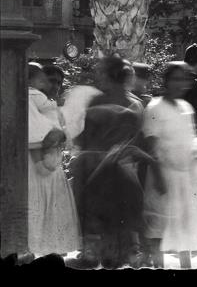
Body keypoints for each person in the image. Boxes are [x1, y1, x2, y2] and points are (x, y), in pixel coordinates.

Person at [142, 62, 197, 269]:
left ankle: (186, 267)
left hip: (184, 178)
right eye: (175, 78)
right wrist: (159, 178)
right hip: (162, 176)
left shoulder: (186, 108)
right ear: (165, 81)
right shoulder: (155, 107)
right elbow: (151, 147)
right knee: (159, 229)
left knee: (185, 227)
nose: (180, 84)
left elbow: (190, 140)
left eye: (184, 79)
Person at [71, 103, 155, 268]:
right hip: (110, 205)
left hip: (108, 204)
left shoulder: (117, 153)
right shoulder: (118, 152)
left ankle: (100, 255)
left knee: (100, 224)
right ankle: (106, 254)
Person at [27, 63, 81, 259]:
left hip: (52, 168)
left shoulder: (50, 107)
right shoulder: (32, 100)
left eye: (59, 82)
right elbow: (39, 137)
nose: (55, 86)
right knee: (36, 213)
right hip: (34, 168)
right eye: (51, 81)